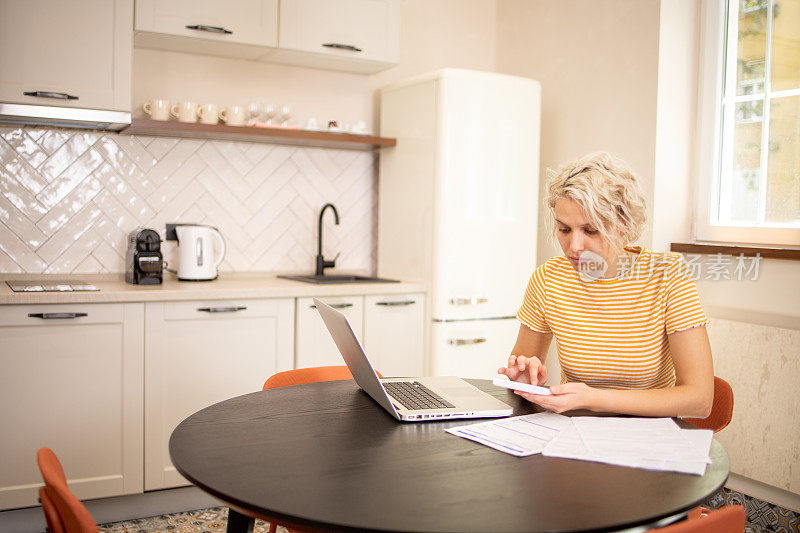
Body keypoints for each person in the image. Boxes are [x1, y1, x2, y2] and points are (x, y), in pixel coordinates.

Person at [498, 152, 713, 418]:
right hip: (573, 432)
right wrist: (522, 378)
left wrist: (596, 399)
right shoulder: (548, 279)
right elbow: (521, 372)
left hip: (649, 438)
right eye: (564, 230)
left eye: (590, 231)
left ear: (624, 223)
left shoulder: (667, 276)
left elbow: (700, 400)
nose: (574, 247)